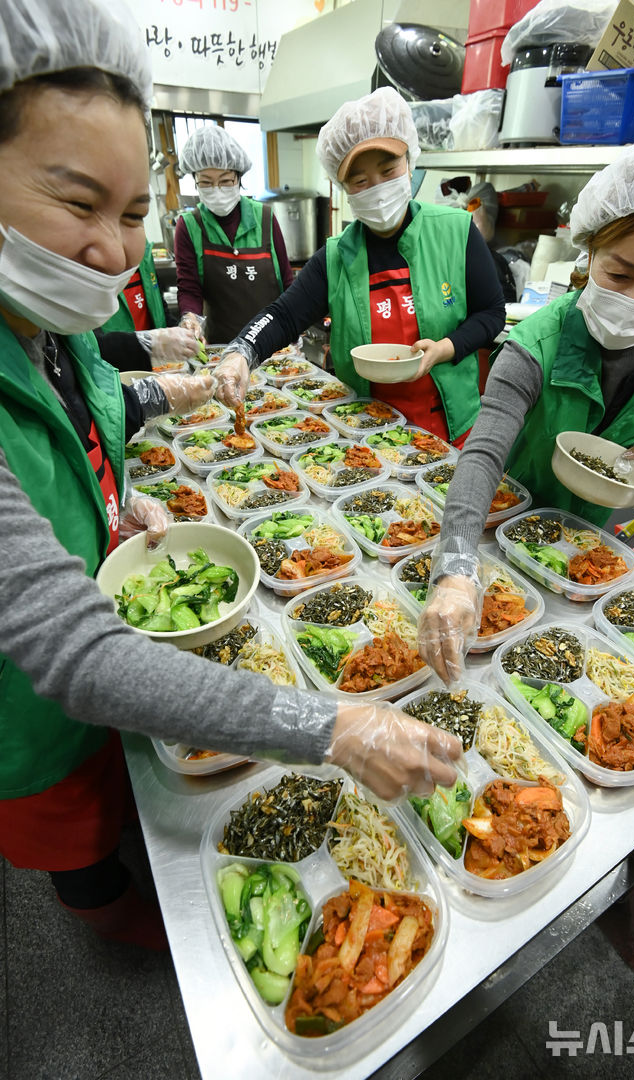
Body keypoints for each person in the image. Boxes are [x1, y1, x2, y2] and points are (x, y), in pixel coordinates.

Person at [0, 0, 462, 951]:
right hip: (28, 711)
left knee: (117, 790)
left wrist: (108, 487)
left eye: (133, 214)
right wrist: (334, 725)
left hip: (106, 651)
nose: (114, 249)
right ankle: (112, 925)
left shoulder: (48, 330)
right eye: (78, 202)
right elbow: (75, 653)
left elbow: (91, 415)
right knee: (72, 837)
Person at [418, 136, 634, 684]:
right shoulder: (536, 343)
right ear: (588, 255)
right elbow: (483, 454)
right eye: (619, 275)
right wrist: (458, 569)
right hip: (497, 522)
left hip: (588, 534)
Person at [214, 87, 506, 446]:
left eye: (388, 170)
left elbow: (492, 313)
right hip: (366, 434)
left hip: (452, 432)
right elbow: (283, 316)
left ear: (410, 163)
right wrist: (241, 352)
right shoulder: (337, 257)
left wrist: (445, 347)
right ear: (344, 188)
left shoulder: (456, 231)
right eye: (361, 181)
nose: (378, 189)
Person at [174, 125, 294, 344]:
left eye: (226, 181)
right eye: (206, 183)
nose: (217, 189)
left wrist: (295, 323)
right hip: (221, 349)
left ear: (239, 178)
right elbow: (189, 288)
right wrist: (190, 318)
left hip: (273, 347)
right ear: (195, 181)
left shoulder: (264, 217)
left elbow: (286, 280)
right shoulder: (189, 226)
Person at [97, 236, 200, 373]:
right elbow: (92, 345)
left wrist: (182, 334)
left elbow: (159, 310)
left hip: (159, 370)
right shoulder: (91, 265)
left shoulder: (143, 250)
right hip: (116, 375)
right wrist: (151, 342)